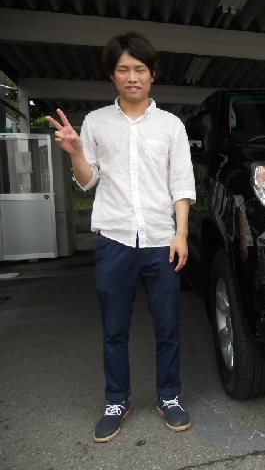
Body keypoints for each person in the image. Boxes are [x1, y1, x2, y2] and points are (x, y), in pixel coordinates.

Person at [46, 32, 196, 443]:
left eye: (140, 69)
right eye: (124, 69)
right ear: (112, 75)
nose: (133, 77)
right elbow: (87, 180)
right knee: (115, 327)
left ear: (152, 74)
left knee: (168, 326)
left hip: (161, 239)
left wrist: (181, 234)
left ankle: (169, 396)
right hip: (114, 239)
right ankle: (116, 400)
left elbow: (182, 184)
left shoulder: (171, 126)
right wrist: (76, 152)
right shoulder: (96, 122)